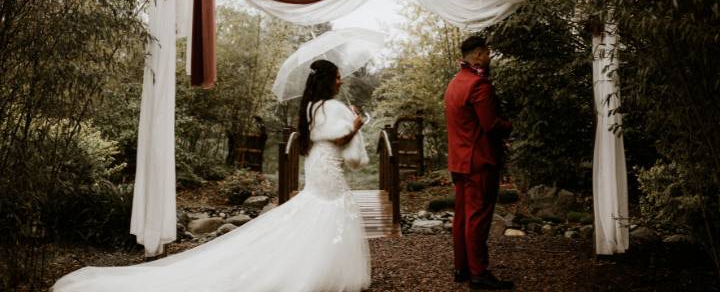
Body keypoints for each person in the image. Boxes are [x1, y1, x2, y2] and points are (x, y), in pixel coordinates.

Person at [51, 59, 370, 292]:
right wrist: (356, 126)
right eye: (339, 77)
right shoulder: (332, 107)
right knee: (327, 211)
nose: (341, 82)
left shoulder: (312, 107)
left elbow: (320, 138)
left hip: (317, 167)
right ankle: (314, 272)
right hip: (327, 169)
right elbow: (345, 147)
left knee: (313, 212)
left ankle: (312, 265)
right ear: (329, 81)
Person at [444, 35, 513, 290]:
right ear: (477, 55)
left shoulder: (454, 83)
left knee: (462, 216)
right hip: (479, 161)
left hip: (459, 161)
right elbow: (490, 124)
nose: (490, 56)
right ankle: (479, 273)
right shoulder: (479, 85)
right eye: (487, 53)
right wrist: (509, 125)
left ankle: (462, 268)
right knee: (478, 218)